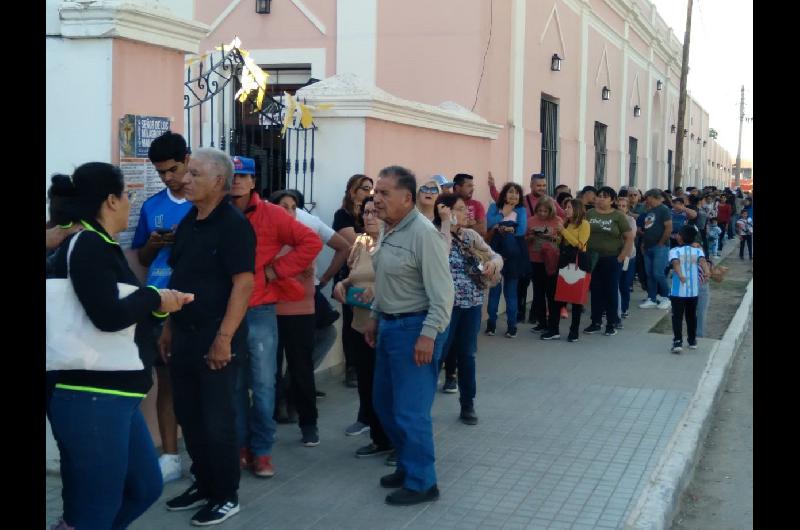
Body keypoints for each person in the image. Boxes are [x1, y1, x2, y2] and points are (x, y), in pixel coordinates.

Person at [47, 163, 193, 530]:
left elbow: (130, 318)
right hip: (89, 393)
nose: (130, 202)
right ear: (111, 200)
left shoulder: (104, 246)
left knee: (143, 488)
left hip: (117, 393)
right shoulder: (88, 245)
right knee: (95, 507)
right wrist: (153, 295)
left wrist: (159, 309)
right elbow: (108, 316)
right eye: (126, 195)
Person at [161, 148, 255, 526]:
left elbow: (243, 284)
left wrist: (225, 339)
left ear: (218, 181)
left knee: (217, 421)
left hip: (216, 337)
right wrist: (168, 326)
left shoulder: (233, 225)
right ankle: (204, 482)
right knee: (189, 415)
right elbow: (178, 277)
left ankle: (226, 494)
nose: (185, 179)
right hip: (184, 335)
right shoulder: (190, 221)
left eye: (195, 174)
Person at [364, 165, 454, 506]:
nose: (377, 199)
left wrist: (428, 336)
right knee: (384, 405)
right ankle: (406, 464)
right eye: (376, 192)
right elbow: (387, 281)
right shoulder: (390, 228)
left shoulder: (423, 234)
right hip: (389, 325)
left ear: (406, 198)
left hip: (415, 329)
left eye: (385, 193)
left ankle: (422, 482)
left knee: (410, 411)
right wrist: (375, 316)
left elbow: (443, 295)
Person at [228, 157, 322, 477]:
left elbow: (310, 241)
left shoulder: (272, 214)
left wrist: (274, 270)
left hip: (259, 311)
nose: (237, 181)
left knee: (264, 384)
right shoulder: (217, 213)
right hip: (227, 311)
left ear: (253, 181)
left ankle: (263, 450)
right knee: (236, 385)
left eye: (243, 176)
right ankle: (241, 447)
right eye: (232, 175)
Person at [130, 130, 194, 483]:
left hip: (192, 303)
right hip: (156, 303)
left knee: (197, 384)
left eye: (172, 169)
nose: (168, 177)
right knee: (165, 382)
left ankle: (201, 453)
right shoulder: (153, 205)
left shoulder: (205, 203)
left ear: (186, 160)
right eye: (161, 173)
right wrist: (154, 244)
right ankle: (170, 456)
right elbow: (141, 256)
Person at [332, 196, 394, 458]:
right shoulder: (360, 242)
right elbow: (354, 275)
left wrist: (376, 292)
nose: (369, 217)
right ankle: (378, 438)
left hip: (384, 325)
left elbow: (398, 282)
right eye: (366, 212)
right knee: (367, 381)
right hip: (359, 323)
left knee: (387, 386)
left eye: (374, 212)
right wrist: (342, 285)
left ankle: (395, 441)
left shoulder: (393, 244)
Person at [265, 190, 326, 448]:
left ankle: (309, 424)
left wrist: (275, 273)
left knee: (302, 371)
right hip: (268, 312)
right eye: (283, 206)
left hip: (300, 313)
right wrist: (285, 273)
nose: (288, 211)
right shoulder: (266, 239)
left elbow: (305, 283)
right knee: (268, 372)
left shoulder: (305, 238)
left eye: (293, 207)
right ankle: (267, 424)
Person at [435, 194, 502, 424]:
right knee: (437, 356)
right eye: (461, 209)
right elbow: (441, 256)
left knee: (467, 355)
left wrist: (493, 264)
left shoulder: (470, 235)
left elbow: (496, 256)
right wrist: (445, 223)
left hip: (471, 306)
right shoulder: (435, 235)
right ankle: (422, 407)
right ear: (447, 211)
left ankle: (468, 404)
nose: (468, 213)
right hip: (445, 308)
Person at [333, 174, 374, 388]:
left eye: (371, 189)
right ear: (353, 191)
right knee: (353, 323)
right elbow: (355, 241)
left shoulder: (365, 216)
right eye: (365, 188)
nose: (369, 193)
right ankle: (352, 368)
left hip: (371, 278)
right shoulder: (343, 215)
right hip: (351, 277)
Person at [584, 187, 633, 336]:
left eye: (605, 197)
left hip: (612, 258)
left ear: (612, 200)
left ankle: (611, 323)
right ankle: (595, 322)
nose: (601, 199)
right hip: (593, 258)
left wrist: (621, 257)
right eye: (599, 196)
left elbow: (629, 237)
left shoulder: (618, 216)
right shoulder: (590, 213)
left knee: (611, 291)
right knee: (596, 291)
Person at [517, 173, 566, 324]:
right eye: (538, 185)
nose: (542, 188)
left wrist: (556, 235)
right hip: (532, 256)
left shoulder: (552, 206)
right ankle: (529, 316)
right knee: (532, 288)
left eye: (544, 185)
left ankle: (545, 320)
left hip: (551, 259)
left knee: (549, 291)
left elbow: (564, 219)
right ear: (531, 185)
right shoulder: (524, 202)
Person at [486, 183, 528, 338]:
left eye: (517, 193)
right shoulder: (494, 208)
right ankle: (491, 324)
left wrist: (507, 228)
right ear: (504, 194)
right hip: (495, 254)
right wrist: (503, 213)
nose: (514, 196)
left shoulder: (521, 210)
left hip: (513, 256)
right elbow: (488, 223)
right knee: (494, 291)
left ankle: (512, 326)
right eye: (511, 192)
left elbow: (522, 230)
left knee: (510, 293)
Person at [548, 199, 590, 341]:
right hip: (564, 261)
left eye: (569, 207)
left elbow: (579, 244)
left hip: (577, 262)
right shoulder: (567, 223)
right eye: (566, 207)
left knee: (576, 299)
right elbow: (564, 242)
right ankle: (553, 330)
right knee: (557, 297)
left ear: (577, 209)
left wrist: (563, 231)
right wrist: (557, 237)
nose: (566, 210)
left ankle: (574, 332)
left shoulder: (584, 224)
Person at [526, 197, 564, 334]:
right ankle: (542, 323)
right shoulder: (531, 221)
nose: (542, 213)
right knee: (538, 294)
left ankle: (553, 326)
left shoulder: (558, 221)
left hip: (552, 261)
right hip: (535, 259)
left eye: (545, 211)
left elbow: (563, 239)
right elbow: (525, 238)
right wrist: (531, 237)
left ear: (551, 210)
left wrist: (551, 237)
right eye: (540, 210)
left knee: (552, 294)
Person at [668, 225, 708, 354]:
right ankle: (692, 340)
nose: (677, 236)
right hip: (693, 290)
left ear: (681, 237)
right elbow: (703, 262)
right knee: (692, 316)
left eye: (678, 234)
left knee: (677, 316)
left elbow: (675, 263)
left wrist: (680, 274)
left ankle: (678, 341)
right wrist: (707, 272)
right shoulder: (698, 251)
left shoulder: (674, 251)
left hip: (678, 291)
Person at [639, 189, 673, 310]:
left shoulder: (664, 210)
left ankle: (666, 297)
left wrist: (661, 243)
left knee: (658, 273)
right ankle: (652, 298)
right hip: (648, 246)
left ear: (653, 197)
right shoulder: (650, 211)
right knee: (650, 274)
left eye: (647, 197)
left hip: (660, 247)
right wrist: (643, 243)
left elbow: (668, 227)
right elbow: (647, 228)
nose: (646, 200)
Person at [616, 195, 638, 320]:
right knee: (614, 283)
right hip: (615, 253)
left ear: (627, 208)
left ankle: (624, 308)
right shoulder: (613, 218)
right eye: (619, 206)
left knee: (625, 283)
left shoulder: (630, 220)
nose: (620, 208)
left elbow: (631, 236)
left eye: (623, 206)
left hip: (629, 255)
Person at [452, 173, 487, 238]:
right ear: (457, 188)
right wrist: (469, 224)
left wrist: (460, 225)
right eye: (469, 186)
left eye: (472, 186)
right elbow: (448, 228)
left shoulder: (477, 204)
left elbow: (482, 230)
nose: (472, 189)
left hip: (474, 244)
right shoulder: (448, 203)